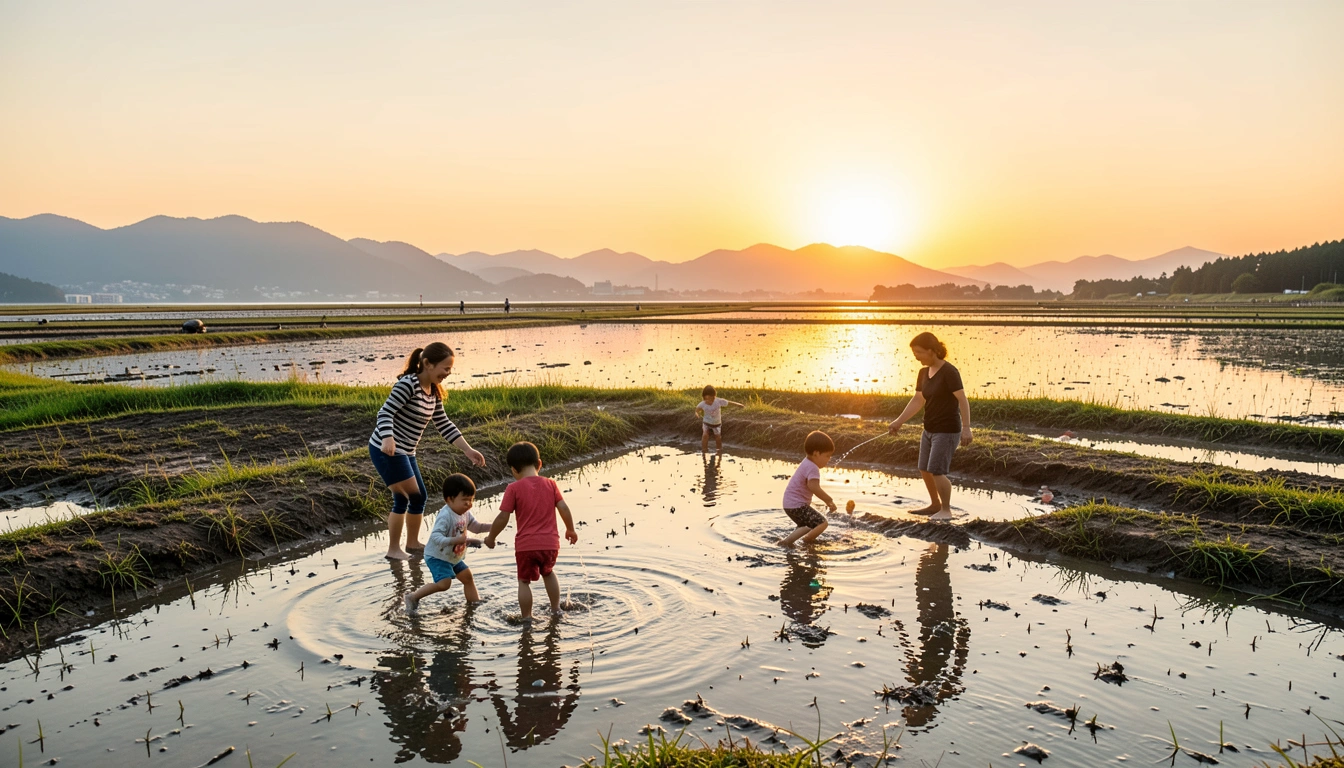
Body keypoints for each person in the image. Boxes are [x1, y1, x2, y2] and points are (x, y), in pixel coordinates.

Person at [370, 342, 487, 560]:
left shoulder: (433, 391)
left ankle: (412, 544)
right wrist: (387, 438)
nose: (448, 373)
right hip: (386, 449)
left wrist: (468, 450)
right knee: (406, 496)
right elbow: (384, 412)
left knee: (416, 497)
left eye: (450, 369)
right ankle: (394, 550)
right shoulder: (408, 385)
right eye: (445, 368)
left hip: (407, 451)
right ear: (427, 364)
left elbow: (444, 424)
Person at [484, 442, 579, 620]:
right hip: (550, 544)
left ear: (513, 470)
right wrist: (570, 530)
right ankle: (556, 609)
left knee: (524, 581)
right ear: (539, 464)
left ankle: (527, 618)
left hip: (526, 546)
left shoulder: (513, 488)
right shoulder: (551, 484)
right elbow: (564, 508)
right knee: (548, 573)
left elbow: (503, 517)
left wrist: (491, 537)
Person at [886, 331, 972, 521]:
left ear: (932, 351)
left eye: (919, 352)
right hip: (929, 428)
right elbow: (918, 399)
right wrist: (899, 422)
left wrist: (966, 428)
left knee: (937, 470)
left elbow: (962, 400)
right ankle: (935, 505)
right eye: (914, 353)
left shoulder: (949, 372)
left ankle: (946, 510)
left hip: (947, 429)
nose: (916, 357)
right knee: (924, 468)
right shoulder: (923, 372)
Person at [404, 474, 493, 615]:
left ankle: (474, 605)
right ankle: (413, 597)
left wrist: (495, 526)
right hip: (437, 556)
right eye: (465, 500)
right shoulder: (446, 516)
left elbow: (476, 526)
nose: (469, 504)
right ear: (449, 499)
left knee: (467, 578)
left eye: (471, 500)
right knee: (444, 584)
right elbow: (435, 537)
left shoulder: (465, 513)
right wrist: (454, 541)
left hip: (452, 556)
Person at [778, 430, 836, 547]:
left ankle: (791, 540)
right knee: (822, 523)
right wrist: (828, 500)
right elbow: (813, 486)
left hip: (789, 504)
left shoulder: (806, 462)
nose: (829, 459)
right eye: (827, 456)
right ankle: (802, 541)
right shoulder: (813, 468)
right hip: (796, 505)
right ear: (816, 453)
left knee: (806, 524)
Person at [695, 385, 744, 454]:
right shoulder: (702, 404)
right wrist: (697, 414)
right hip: (706, 422)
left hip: (716, 423)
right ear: (703, 398)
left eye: (710, 399)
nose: (708, 401)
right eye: (706, 399)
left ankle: (719, 450)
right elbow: (697, 410)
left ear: (714, 397)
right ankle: (704, 450)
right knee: (705, 435)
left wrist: (738, 405)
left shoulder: (718, 401)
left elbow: (729, 402)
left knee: (717, 436)